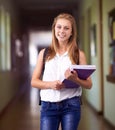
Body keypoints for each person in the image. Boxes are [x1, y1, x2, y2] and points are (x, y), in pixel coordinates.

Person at [31, 13, 92, 130]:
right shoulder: (44, 53)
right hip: (48, 105)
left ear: (72, 32)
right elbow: (34, 81)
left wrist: (76, 79)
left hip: (71, 105)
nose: (62, 31)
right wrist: (50, 84)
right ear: (54, 29)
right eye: (59, 27)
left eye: (66, 28)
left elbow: (89, 85)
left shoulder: (79, 54)